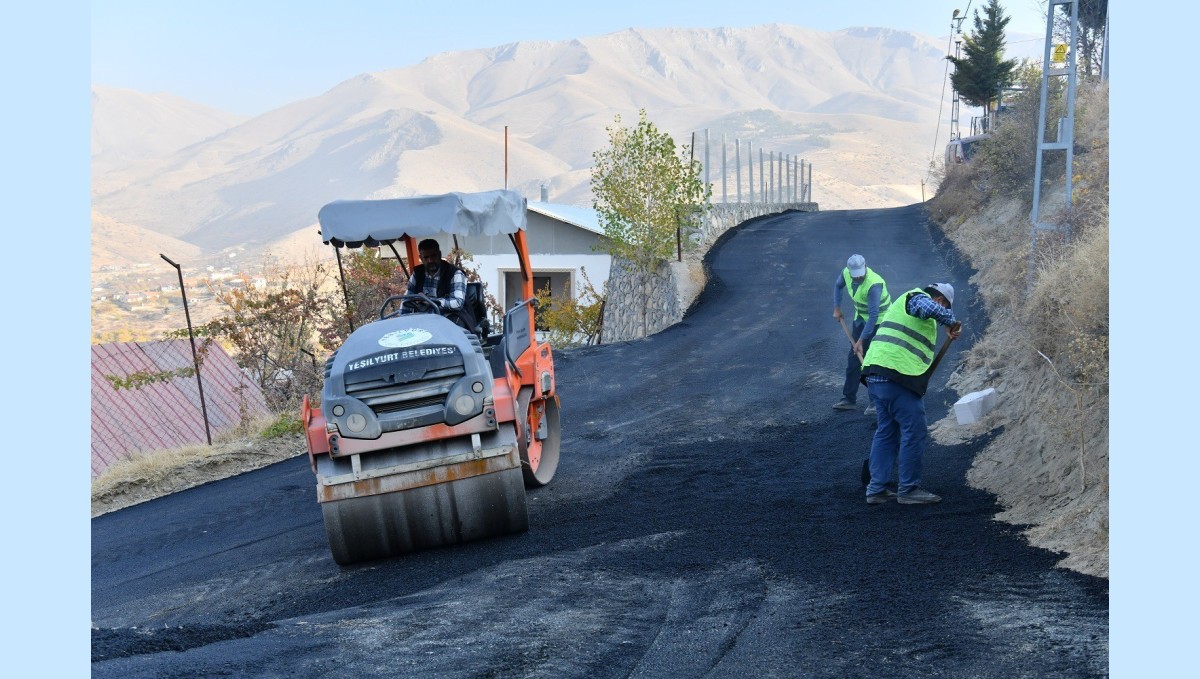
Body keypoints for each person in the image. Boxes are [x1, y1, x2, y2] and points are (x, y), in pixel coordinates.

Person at [860, 283, 962, 505]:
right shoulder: (917, 297)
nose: (941, 309)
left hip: (877, 376)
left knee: (887, 431)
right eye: (944, 305)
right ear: (940, 300)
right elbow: (930, 308)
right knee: (914, 430)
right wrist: (951, 321)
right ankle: (908, 489)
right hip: (894, 376)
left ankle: (876, 489)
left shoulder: (909, 309)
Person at [832, 254, 891, 416]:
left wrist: (860, 341)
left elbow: (873, 316)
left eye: (860, 274)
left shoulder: (874, 284)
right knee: (853, 360)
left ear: (865, 266)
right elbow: (838, 286)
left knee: (871, 361)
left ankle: (875, 402)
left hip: (880, 322)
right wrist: (837, 307)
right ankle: (849, 399)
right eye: (854, 275)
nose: (858, 278)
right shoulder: (846, 273)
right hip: (861, 319)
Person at [406, 238, 469, 318]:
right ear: (421, 258)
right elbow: (406, 299)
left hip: (449, 319)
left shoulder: (455, 273)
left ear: (440, 254)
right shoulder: (417, 273)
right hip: (424, 320)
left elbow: (458, 303)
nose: (430, 260)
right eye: (426, 257)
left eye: (433, 256)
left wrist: (431, 301)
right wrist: (401, 320)